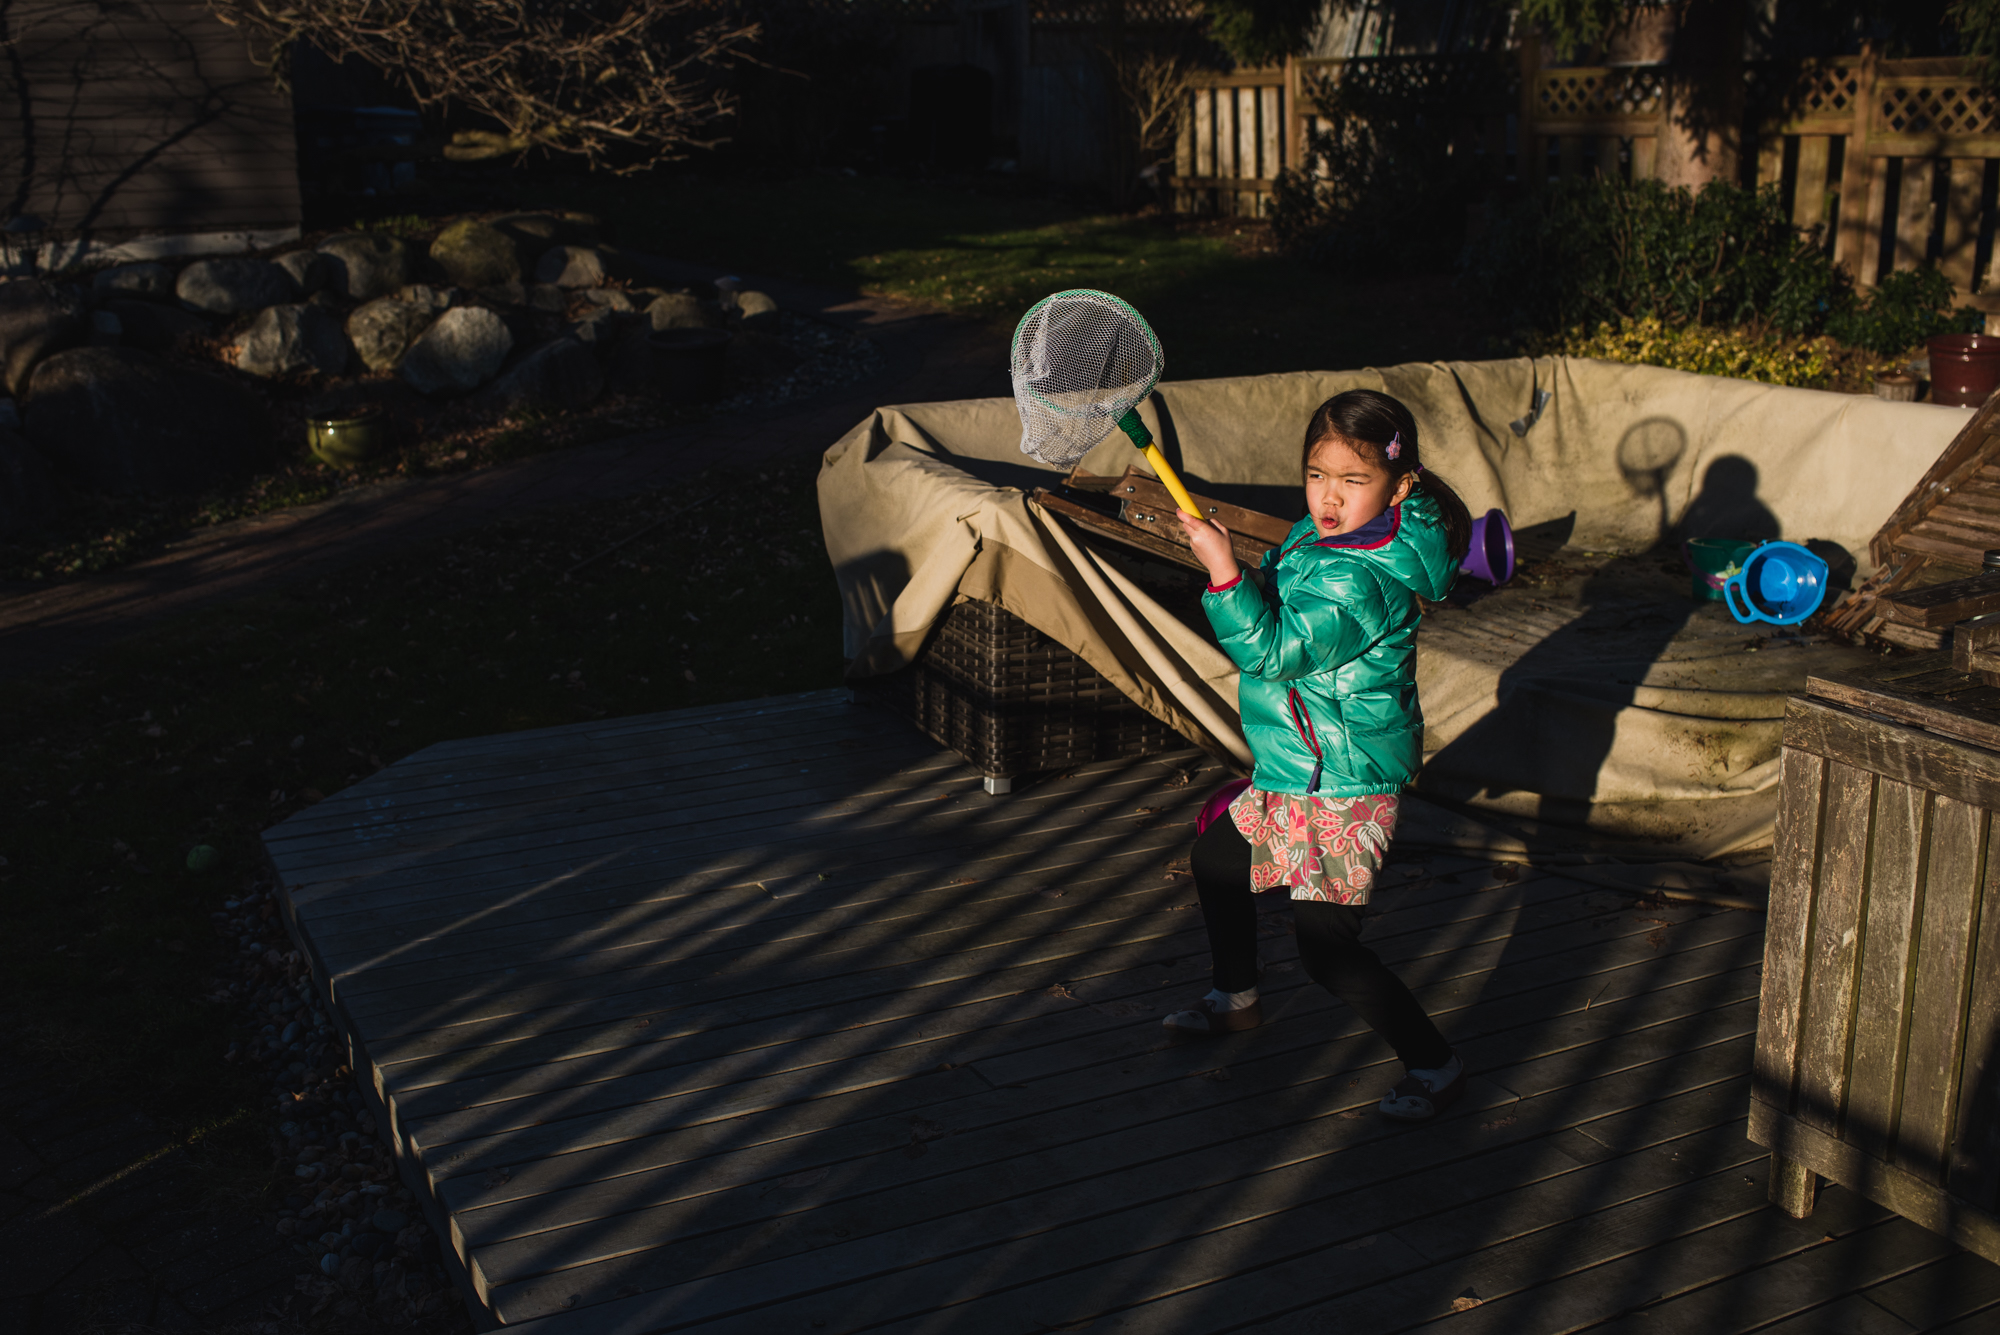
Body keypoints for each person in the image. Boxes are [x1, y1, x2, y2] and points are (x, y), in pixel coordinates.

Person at [1169, 388, 1474, 1122]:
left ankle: (1435, 1063)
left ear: (1400, 486)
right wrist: (1247, 571)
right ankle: (1236, 997)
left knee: (1327, 949)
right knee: (1216, 860)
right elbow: (1282, 599)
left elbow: (1275, 648)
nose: (1329, 497)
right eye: (1317, 474)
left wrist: (1222, 572)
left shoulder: (1366, 576)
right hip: (1296, 768)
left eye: (1352, 479)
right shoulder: (1323, 537)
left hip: (1342, 783)